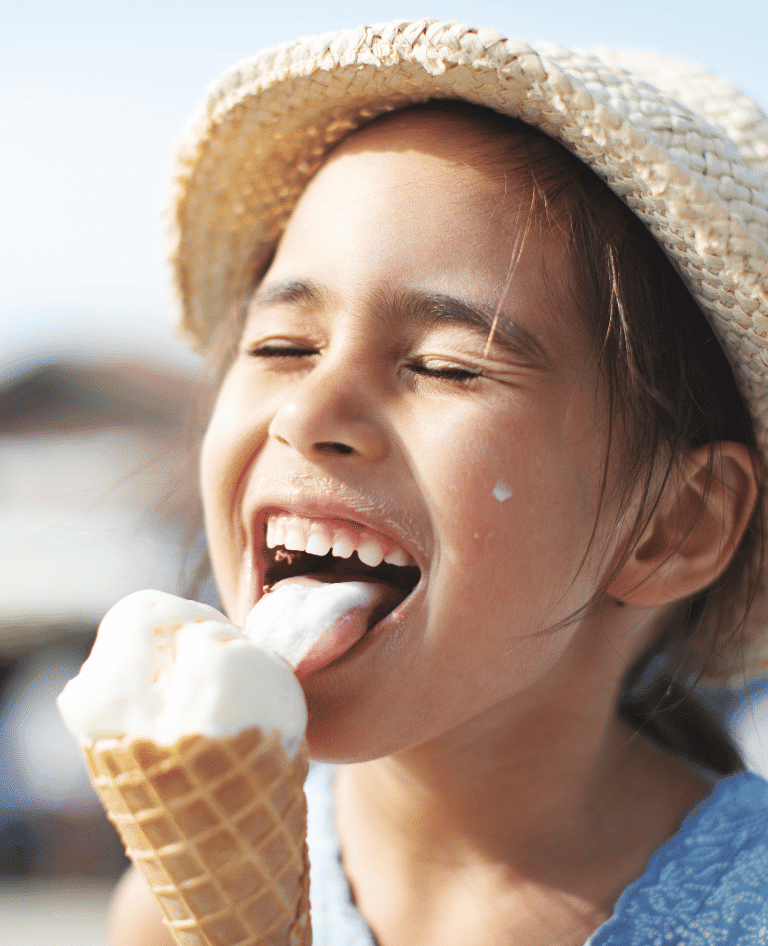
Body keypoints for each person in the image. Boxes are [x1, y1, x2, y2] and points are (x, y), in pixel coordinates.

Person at [110, 20, 768, 946]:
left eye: (448, 366)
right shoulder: (163, 912)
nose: (308, 413)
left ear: (674, 524)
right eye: (282, 347)